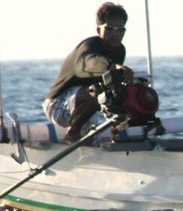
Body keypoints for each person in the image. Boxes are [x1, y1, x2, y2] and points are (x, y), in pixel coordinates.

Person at [42, 2, 134, 143]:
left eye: (120, 29)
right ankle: (72, 134)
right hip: (57, 105)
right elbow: (93, 63)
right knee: (98, 92)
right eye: (109, 29)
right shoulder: (87, 48)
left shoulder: (120, 50)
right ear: (98, 30)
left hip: (85, 104)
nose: (115, 34)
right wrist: (113, 67)